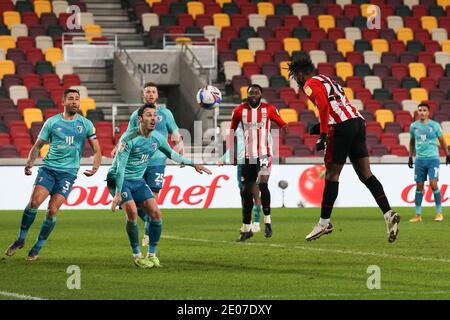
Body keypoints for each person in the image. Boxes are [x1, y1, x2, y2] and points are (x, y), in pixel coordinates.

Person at [287, 57, 400, 243]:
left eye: (295, 77)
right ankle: (388, 214)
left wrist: (323, 133)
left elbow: (323, 105)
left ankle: (324, 223)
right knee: (366, 174)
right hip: (357, 122)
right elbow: (335, 104)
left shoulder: (308, 84)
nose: (297, 81)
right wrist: (319, 126)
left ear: (300, 74)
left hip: (340, 126)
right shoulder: (328, 79)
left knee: (331, 175)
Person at [107, 103, 211, 268]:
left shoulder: (157, 137)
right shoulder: (128, 138)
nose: (153, 118)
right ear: (140, 119)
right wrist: (118, 193)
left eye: (155, 115)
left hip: (137, 180)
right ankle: (137, 255)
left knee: (155, 214)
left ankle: (152, 255)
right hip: (119, 179)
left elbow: (173, 154)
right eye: (149, 115)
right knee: (132, 213)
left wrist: (194, 164)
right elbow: (119, 169)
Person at [4, 89, 102, 260]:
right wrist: (30, 162)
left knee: (52, 210)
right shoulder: (52, 122)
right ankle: (20, 239)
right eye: (70, 99)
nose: (74, 102)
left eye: (77, 99)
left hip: (68, 174)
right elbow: (38, 145)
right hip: (48, 169)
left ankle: (36, 248)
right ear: (63, 102)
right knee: (34, 202)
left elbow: (97, 149)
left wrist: (95, 166)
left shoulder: (86, 124)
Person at [112, 82, 184, 247]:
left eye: (153, 92)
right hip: (137, 163)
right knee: (134, 204)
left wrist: (180, 151)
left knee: (152, 199)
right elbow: (128, 134)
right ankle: (140, 223)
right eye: (148, 92)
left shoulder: (166, 114)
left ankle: (146, 234)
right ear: (143, 96)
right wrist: (118, 147)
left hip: (157, 162)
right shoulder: (137, 115)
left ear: (157, 95)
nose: (151, 94)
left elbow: (175, 132)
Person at [227, 84, 287, 242]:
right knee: (246, 192)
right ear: (247, 94)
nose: (253, 94)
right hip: (248, 157)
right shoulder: (239, 111)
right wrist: (233, 155)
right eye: (251, 92)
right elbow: (232, 132)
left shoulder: (270, 109)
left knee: (263, 185)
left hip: (264, 155)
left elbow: (281, 123)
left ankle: (267, 222)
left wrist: (285, 127)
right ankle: (247, 228)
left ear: (261, 94)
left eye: (256, 92)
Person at [408, 102, 450, 222]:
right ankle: (418, 214)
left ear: (428, 112)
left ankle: (439, 213)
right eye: (420, 110)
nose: (422, 112)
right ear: (418, 112)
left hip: (433, 159)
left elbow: (441, 140)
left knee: (433, 183)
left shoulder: (434, 125)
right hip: (420, 160)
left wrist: (447, 154)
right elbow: (412, 141)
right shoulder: (414, 126)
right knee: (419, 186)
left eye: (424, 110)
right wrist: (410, 156)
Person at [220, 122, 263, 233]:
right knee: (243, 192)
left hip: (254, 161)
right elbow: (234, 147)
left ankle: (257, 223)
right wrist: (224, 158)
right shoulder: (238, 130)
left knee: (255, 191)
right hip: (241, 163)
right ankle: (246, 223)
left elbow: (268, 142)